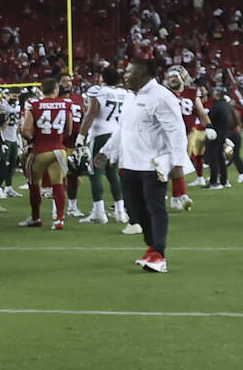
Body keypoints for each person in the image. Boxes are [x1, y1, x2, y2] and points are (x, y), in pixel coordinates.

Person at [97, 58, 189, 274]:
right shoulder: (130, 96)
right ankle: (151, 247)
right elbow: (122, 129)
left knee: (155, 208)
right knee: (136, 210)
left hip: (152, 164)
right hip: (130, 164)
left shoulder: (161, 97)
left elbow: (176, 131)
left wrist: (178, 163)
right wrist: (106, 151)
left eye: (131, 72)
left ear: (145, 74)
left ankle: (159, 254)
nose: (126, 75)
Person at [19, 77, 73, 230]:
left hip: (40, 151)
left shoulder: (34, 104)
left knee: (34, 184)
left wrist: (34, 140)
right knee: (58, 184)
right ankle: (59, 219)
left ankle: (36, 217)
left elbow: (25, 130)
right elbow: (68, 130)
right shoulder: (65, 104)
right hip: (59, 150)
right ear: (56, 89)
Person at [78, 67, 128, 224]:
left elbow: (92, 113)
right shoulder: (124, 93)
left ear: (102, 78)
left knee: (95, 173)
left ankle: (99, 212)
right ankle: (120, 211)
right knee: (113, 173)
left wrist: (81, 136)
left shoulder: (98, 91)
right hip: (117, 134)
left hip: (100, 133)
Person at [164, 66, 204, 207]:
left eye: (176, 76)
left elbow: (200, 112)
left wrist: (209, 127)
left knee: (178, 164)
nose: (173, 79)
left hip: (186, 133)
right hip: (166, 134)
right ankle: (179, 195)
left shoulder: (192, 92)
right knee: (171, 165)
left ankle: (177, 196)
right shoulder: (164, 93)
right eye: (170, 77)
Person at [58, 74, 87, 217]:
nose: (67, 84)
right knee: (58, 177)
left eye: (69, 81)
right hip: (60, 143)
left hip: (75, 144)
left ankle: (72, 207)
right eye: (63, 81)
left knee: (74, 177)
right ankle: (58, 210)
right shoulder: (55, 99)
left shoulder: (78, 98)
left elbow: (83, 117)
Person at [0, 90, 22, 199]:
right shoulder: (4, 106)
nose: (15, 97)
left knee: (12, 164)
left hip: (14, 138)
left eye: (17, 95)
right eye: (13, 94)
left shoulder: (17, 106)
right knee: (2, 165)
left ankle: (9, 187)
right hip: (5, 137)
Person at [205, 93, 233, 189]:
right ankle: (224, 180)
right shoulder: (227, 105)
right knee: (221, 158)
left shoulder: (216, 106)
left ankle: (214, 182)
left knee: (213, 158)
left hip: (215, 134)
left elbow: (208, 118)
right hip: (224, 133)